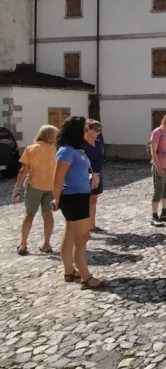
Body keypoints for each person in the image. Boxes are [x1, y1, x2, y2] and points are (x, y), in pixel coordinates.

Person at [51, 116, 109, 290]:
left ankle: (70, 271)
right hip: (73, 197)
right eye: (85, 129)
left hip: (80, 195)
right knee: (82, 238)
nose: (88, 131)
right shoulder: (66, 151)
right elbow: (58, 178)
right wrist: (57, 200)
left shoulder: (76, 149)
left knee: (70, 235)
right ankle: (86, 278)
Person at [12, 125, 58, 255]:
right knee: (48, 215)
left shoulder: (31, 149)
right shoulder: (57, 150)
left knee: (29, 214)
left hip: (34, 186)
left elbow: (23, 171)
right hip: (51, 187)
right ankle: (47, 244)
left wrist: (17, 188)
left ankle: (23, 244)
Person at [83, 119, 104, 232]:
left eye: (100, 130)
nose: (98, 132)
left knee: (93, 199)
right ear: (88, 130)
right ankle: (83, 225)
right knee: (84, 200)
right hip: (85, 175)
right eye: (96, 130)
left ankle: (92, 224)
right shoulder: (82, 145)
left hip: (97, 174)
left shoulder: (98, 143)